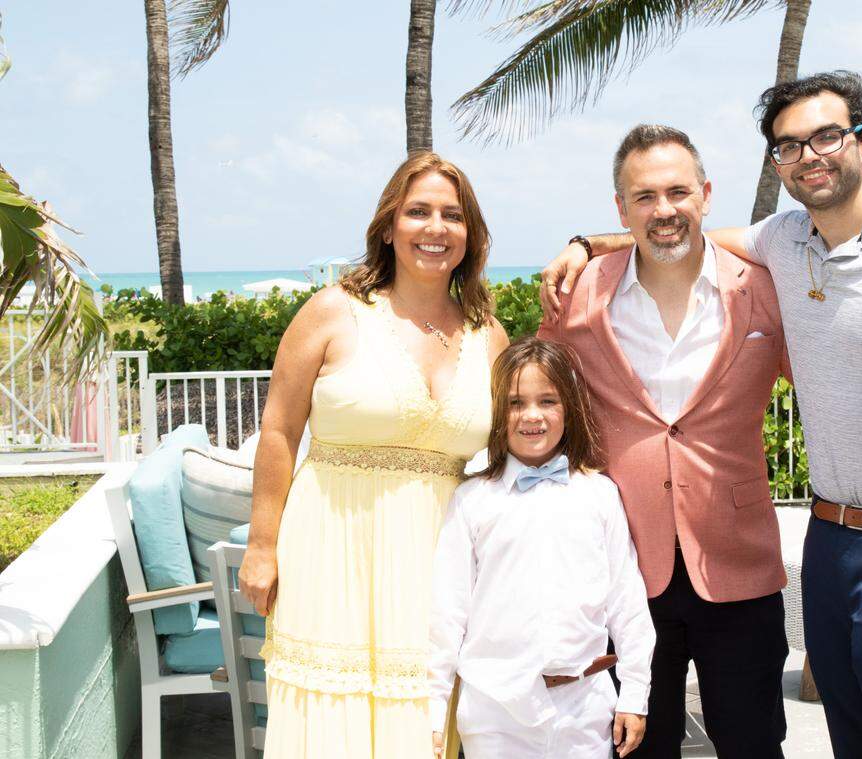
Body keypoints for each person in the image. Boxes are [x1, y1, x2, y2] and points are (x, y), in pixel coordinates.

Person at [542, 71, 862, 759]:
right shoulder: (785, 243)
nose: (810, 155)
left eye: (828, 136)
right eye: (790, 146)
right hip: (825, 539)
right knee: (851, 735)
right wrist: (589, 243)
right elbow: (676, 233)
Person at [238, 152, 509, 758]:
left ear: (470, 234)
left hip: (439, 562)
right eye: (418, 212)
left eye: (453, 215)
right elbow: (279, 429)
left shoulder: (488, 334)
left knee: (425, 719)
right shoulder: (333, 310)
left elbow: (509, 455)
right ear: (388, 226)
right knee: (328, 724)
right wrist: (261, 544)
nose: (436, 228)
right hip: (330, 548)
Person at [538, 124, 793, 758]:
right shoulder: (578, 294)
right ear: (620, 209)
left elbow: (830, 382)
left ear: (706, 193)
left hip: (738, 561)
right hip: (622, 569)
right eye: (644, 197)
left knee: (754, 744)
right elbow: (538, 403)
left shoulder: (763, 288)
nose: (664, 210)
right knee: (635, 749)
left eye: (678, 192)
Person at [428, 336, 655, 759]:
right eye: (516, 403)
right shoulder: (473, 500)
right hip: (495, 709)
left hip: (584, 707)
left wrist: (635, 693)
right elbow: (448, 611)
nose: (532, 415)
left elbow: (627, 601)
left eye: (547, 401)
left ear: (569, 408)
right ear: (498, 413)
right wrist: (434, 707)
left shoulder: (599, 494)